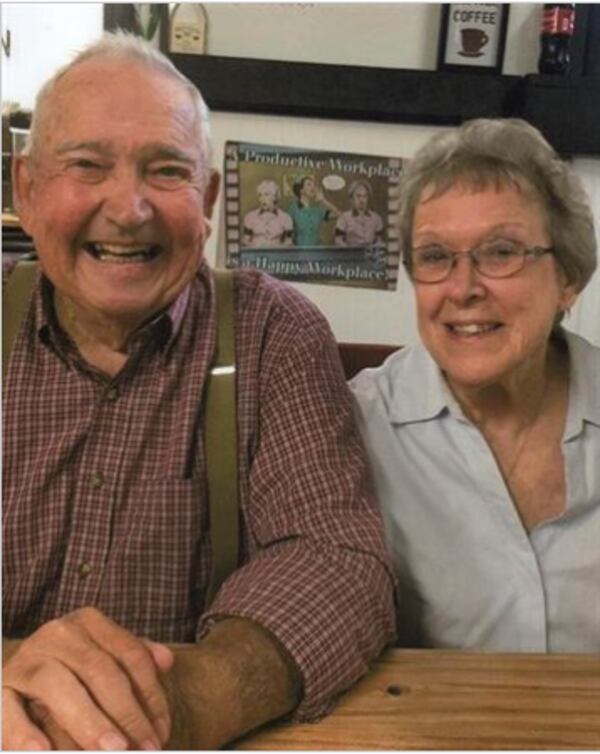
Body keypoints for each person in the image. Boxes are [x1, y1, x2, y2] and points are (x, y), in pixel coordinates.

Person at [2, 32, 396, 751]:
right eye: (87, 166)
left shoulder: (272, 329)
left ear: (209, 199)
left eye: (166, 171)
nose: (128, 209)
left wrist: (175, 709)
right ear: (26, 188)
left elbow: (336, 561)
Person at [351, 118, 599, 651]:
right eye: (436, 257)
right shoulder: (355, 427)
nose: (463, 289)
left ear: (569, 279)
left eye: (501, 252)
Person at [287, 175, 340, 247]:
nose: (313, 187)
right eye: (309, 184)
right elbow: (286, 233)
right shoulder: (293, 208)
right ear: (301, 190)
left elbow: (339, 214)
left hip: (318, 251)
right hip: (300, 252)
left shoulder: (318, 209)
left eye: (314, 185)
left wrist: (323, 200)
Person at [241, 179, 293, 247]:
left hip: (276, 254)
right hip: (255, 254)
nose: (262, 199)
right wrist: (255, 248)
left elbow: (288, 241)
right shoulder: (249, 217)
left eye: (266, 194)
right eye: (260, 195)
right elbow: (245, 240)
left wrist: (277, 250)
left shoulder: (286, 218)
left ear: (274, 197)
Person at [335, 179, 384, 247]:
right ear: (352, 198)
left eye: (365, 196)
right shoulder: (343, 218)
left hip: (370, 255)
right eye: (358, 196)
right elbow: (338, 241)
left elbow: (379, 241)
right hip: (350, 254)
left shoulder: (377, 218)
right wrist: (349, 252)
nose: (362, 200)